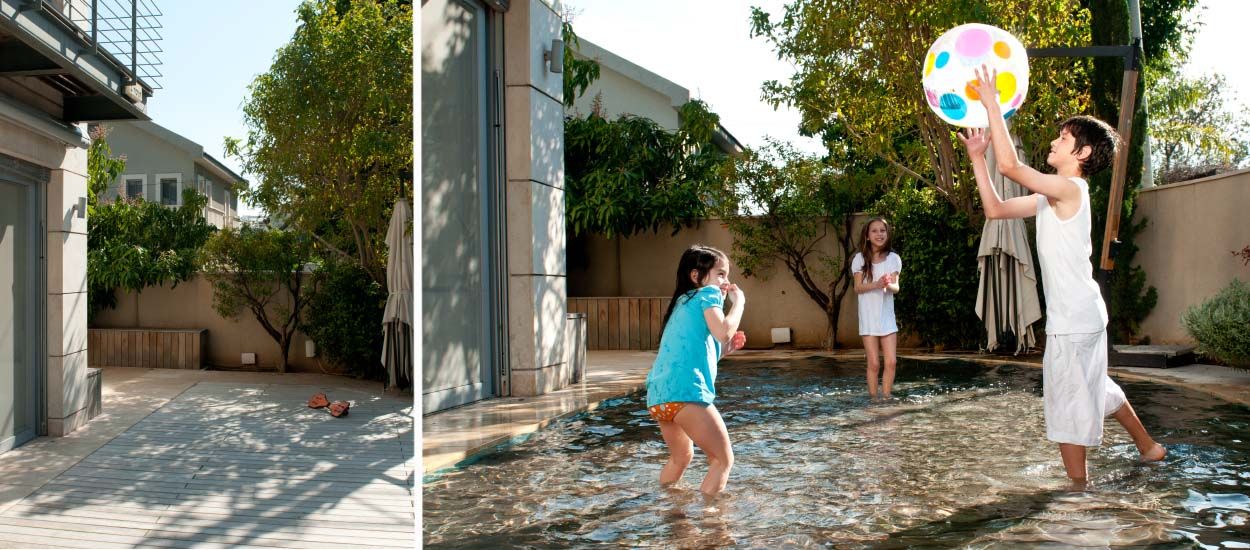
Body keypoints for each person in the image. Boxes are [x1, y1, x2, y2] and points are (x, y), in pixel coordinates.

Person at [960, 65, 1166, 484]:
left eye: (1064, 138)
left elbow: (1012, 166)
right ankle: (1150, 448)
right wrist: (976, 160)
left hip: (1073, 320)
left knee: (1069, 401)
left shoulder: (1071, 189)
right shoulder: (1050, 197)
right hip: (1081, 316)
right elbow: (996, 210)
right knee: (1092, 387)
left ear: (1083, 154)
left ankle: (1077, 494)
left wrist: (993, 105)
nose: (1054, 141)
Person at [645, 244, 747, 497]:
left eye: (727, 275)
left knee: (681, 457)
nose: (726, 282)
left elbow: (694, 349)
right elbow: (724, 330)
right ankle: (711, 521)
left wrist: (725, 350)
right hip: (686, 393)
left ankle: (666, 508)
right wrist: (740, 303)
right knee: (722, 460)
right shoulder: (707, 294)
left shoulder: (682, 302)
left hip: (660, 397)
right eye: (720, 274)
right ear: (696, 276)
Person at [851, 217, 902, 399]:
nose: (879, 234)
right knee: (873, 363)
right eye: (874, 230)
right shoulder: (859, 259)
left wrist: (887, 285)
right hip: (868, 317)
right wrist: (877, 284)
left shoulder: (893, 259)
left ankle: (886, 398)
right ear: (867, 235)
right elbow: (858, 288)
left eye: (883, 230)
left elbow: (896, 288)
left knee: (891, 362)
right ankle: (874, 400)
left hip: (886, 317)